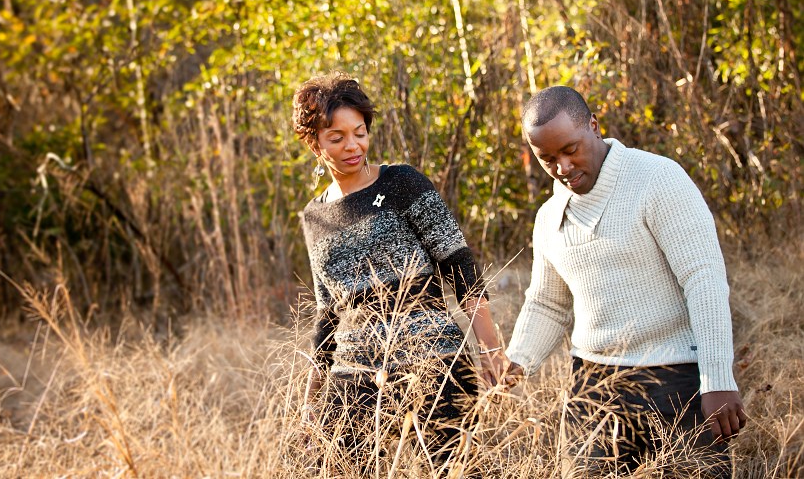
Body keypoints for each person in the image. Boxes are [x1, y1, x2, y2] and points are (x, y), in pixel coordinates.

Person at [503, 86, 746, 477]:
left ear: (594, 127)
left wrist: (717, 378)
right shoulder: (550, 216)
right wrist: (515, 365)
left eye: (570, 150)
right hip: (593, 387)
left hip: (676, 379)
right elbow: (547, 303)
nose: (562, 167)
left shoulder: (657, 179)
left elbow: (703, 278)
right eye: (547, 158)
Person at [293, 70, 506, 473]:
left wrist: (491, 349)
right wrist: (311, 397)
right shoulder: (313, 216)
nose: (352, 145)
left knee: (459, 471)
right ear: (314, 142)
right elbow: (327, 314)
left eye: (359, 132)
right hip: (355, 372)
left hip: (435, 362)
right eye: (336, 138)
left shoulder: (402, 183)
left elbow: (458, 265)